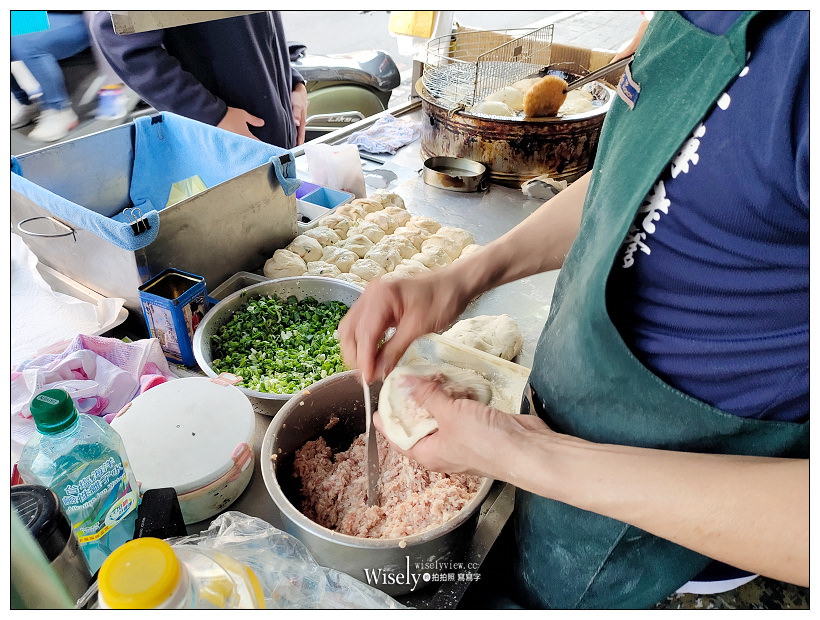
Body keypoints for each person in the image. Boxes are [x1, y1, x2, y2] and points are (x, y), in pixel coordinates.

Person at [339, 10, 808, 609]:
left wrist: (522, 452)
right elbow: (638, 179)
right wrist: (463, 277)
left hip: (688, 559)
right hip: (558, 454)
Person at [89, 11, 307, 148]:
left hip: (270, 126)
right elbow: (117, 32)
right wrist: (211, 113)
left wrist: (290, 80)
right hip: (231, 143)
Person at [10, 11, 90, 142]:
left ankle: (59, 110)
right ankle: (27, 105)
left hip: (85, 16)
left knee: (25, 41)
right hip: (42, 14)